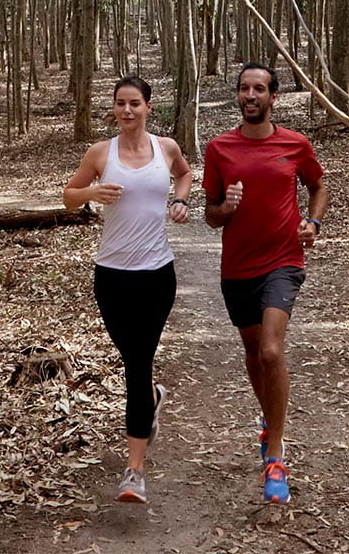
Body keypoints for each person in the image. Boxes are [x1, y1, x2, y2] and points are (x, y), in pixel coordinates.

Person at [62, 75, 194, 504]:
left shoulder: (166, 148)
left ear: (148, 108)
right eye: (120, 103)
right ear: (114, 108)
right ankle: (152, 397)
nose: (127, 110)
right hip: (111, 276)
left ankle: (134, 472)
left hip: (157, 274)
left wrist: (180, 200)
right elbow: (68, 196)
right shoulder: (101, 153)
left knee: (137, 364)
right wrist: (91, 192)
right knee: (133, 361)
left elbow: (186, 174)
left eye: (135, 103)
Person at [202, 63, 327, 505]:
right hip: (237, 267)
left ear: (273, 97)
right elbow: (210, 214)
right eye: (244, 89)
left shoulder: (294, 144)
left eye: (259, 89)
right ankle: (268, 421)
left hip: (284, 261)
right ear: (238, 97)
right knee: (254, 355)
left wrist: (312, 221)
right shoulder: (220, 148)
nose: (250, 95)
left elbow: (318, 186)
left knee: (272, 350)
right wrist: (226, 208)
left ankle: (275, 454)